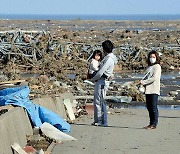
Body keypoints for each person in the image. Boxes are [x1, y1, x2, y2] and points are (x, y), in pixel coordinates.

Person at [91, 40, 117, 126]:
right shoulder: (108, 58)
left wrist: (93, 78)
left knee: (100, 101)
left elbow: (101, 72)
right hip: (101, 80)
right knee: (98, 101)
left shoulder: (109, 59)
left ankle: (101, 120)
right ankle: (98, 120)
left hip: (102, 81)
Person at [140, 50, 161, 129]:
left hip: (154, 89)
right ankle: (151, 123)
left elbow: (154, 78)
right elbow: (146, 76)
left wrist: (144, 82)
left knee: (153, 107)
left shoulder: (157, 67)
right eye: (150, 57)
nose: (152, 58)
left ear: (156, 58)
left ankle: (154, 124)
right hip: (147, 90)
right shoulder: (149, 67)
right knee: (149, 107)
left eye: (153, 57)